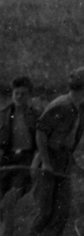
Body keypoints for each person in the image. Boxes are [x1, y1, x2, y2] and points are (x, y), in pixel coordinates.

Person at [31, 67, 84, 236]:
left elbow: (75, 133)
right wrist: (46, 162)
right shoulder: (62, 105)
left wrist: (69, 154)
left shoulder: (80, 105)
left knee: (62, 213)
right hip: (47, 160)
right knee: (45, 213)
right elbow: (41, 132)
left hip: (63, 161)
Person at [0, 76, 38, 234]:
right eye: (17, 93)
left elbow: (42, 143)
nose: (19, 97)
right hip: (5, 160)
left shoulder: (36, 116)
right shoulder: (3, 114)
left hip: (25, 162)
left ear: (29, 96)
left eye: (23, 94)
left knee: (10, 201)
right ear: (12, 94)